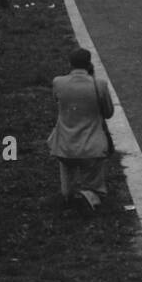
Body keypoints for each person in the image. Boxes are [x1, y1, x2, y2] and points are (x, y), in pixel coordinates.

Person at [48, 47, 115, 213]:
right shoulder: (99, 85)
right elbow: (108, 113)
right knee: (95, 186)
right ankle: (89, 197)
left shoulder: (58, 82)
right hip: (91, 146)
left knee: (67, 175)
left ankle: (69, 196)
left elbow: (57, 100)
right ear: (89, 64)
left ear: (70, 64)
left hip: (64, 145)